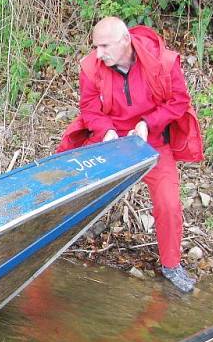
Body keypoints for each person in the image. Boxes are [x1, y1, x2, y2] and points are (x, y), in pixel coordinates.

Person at [58, 17, 204, 293]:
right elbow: (89, 107)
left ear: (125, 40)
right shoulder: (92, 67)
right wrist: (106, 132)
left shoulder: (161, 61)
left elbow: (179, 101)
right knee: (73, 182)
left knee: (169, 204)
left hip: (152, 143)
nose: (98, 53)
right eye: (95, 46)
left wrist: (147, 124)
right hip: (111, 141)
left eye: (104, 46)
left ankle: (171, 265)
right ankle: (52, 242)